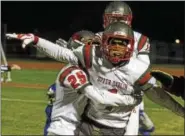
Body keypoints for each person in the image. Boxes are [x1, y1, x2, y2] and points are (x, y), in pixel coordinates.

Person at [6, 22, 184, 135]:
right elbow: (63, 53)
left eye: (122, 44)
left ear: (131, 47)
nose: (117, 48)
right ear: (104, 42)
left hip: (117, 128)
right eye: (113, 42)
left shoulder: (137, 69)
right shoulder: (91, 55)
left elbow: (159, 96)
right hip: (88, 123)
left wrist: (181, 111)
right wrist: (37, 40)